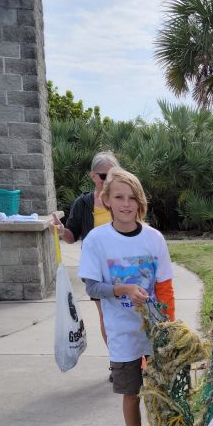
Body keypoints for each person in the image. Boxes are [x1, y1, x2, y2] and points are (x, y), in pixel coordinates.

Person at [78, 167, 175, 426]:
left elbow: (164, 287)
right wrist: (122, 289)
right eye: (118, 197)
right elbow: (92, 286)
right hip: (123, 333)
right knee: (131, 393)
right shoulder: (97, 240)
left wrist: (168, 328)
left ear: (140, 201)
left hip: (155, 331)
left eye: (132, 197)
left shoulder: (154, 238)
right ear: (106, 199)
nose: (126, 204)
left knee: (162, 389)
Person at [51, 150, 119, 351]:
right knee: (107, 317)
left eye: (114, 174)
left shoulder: (122, 198)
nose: (109, 180)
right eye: (104, 176)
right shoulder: (83, 204)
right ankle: (116, 362)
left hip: (125, 267)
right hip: (97, 271)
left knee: (130, 316)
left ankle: (136, 362)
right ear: (93, 176)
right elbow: (72, 237)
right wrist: (62, 230)